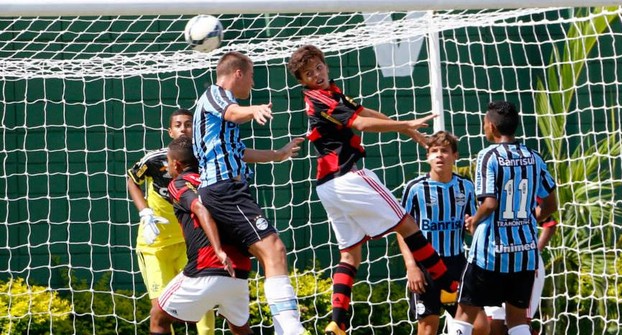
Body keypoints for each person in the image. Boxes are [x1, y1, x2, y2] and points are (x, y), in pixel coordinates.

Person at [287, 44, 459, 335]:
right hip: (348, 176)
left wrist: (403, 128)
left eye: (318, 67)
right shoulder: (320, 98)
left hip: (328, 187)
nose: (316, 74)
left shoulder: (332, 93)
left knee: (349, 254)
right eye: (308, 73)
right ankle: (448, 286)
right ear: (302, 81)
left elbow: (363, 110)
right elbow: (362, 123)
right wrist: (406, 122)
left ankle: (337, 322)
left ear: (325, 65)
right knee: (407, 224)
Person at [191, 51, 308, 335]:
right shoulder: (215, 95)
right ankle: (290, 330)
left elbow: (238, 151)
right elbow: (233, 112)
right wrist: (254, 109)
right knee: (274, 250)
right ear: (238, 74)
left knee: (238, 273)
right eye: (252, 76)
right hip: (225, 191)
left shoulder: (220, 120)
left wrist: (277, 155)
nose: (253, 83)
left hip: (224, 190)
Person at [449, 100, 557, 335]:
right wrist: (532, 218)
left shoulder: (489, 156)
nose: (483, 128)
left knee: (464, 313)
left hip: (489, 251)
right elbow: (551, 203)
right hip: (524, 252)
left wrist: (475, 220)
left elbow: (489, 203)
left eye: (484, 123)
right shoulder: (534, 157)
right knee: (517, 319)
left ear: (492, 127)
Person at [150, 135, 252, 335]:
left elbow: (200, 209)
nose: (167, 167)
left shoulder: (178, 184)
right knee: (240, 328)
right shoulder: (218, 182)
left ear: (177, 165)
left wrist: (218, 250)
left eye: (168, 162)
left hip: (207, 267)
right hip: (239, 270)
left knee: (158, 317)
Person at [126, 108, 216, 335]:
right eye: (178, 125)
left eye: (188, 124)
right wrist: (145, 212)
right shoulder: (156, 160)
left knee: (203, 301)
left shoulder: (206, 159)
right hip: (155, 246)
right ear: (170, 131)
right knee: (161, 309)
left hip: (189, 245)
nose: (183, 129)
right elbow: (132, 180)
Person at [399, 131, 490, 335]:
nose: (439, 155)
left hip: (457, 263)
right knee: (429, 326)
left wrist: (471, 225)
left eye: (445, 151)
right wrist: (411, 267)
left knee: (480, 326)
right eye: (434, 151)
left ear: (455, 155)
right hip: (425, 266)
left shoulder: (465, 186)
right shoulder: (414, 189)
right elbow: (401, 231)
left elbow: (473, 226)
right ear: (427, 157)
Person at [484, 199, 558, 335]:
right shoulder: (482, 192)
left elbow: (550, 224)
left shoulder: (523, 194)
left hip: (524, 263)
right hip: (492, 263)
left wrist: (534, 253)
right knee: (492, 322)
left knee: (519, 323)